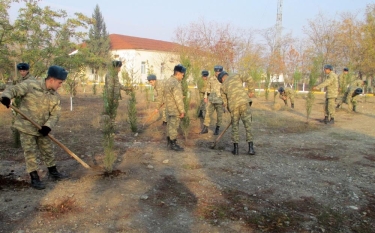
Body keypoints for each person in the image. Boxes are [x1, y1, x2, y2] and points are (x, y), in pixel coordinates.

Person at [1, 65, 69, 190]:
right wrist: (6, 97)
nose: (60, 85)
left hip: (42, 129)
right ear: (52, 79)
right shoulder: (30, 85)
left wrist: (47, 126)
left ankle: (53, 172)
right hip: (26, 127)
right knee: (30, 152)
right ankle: (34, 178)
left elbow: (55, 115)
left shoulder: (55, 96)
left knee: (48, 150)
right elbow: (13, 90)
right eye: (59, 82)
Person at [218, 71, 255, 156]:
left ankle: (236, 150)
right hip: (244, 103)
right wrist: (251, 91)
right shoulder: (236, 75)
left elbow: (225, 102)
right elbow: (249, 77)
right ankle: (251, 148)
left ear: (222, 78)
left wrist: (230, 109)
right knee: (248, 126)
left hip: (233, 107)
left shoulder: (222, 86)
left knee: (235, 127)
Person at [164, 64, 186, 151]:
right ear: (178, 73)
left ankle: (169, 142)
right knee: (174, 127)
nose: (183, 77)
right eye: (182, 75)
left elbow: (169, 95)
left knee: (170, 126)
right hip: (174, 109)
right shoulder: (175, 83)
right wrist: (182, 111)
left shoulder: (169, 80)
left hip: (168, 108)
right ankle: (173, 144)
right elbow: (178, 99)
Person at [200, 65, 224, 135]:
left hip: (220, 100)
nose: (218, 73)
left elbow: (226, 90)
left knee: (219, 116)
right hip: (211, 100)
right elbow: (208, 88)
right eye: (216, 72)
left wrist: (225, 101)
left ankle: (217, 129)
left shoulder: (223, 79)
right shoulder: (211, 79)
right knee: (207, 114)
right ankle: (205, 128)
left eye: (219, 72)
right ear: (215, 72)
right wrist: (205, 97)